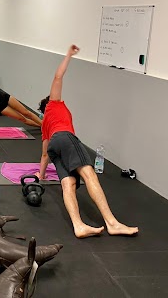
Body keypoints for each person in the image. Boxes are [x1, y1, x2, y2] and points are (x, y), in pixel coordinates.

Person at [37, 44, 138, 238]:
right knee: (90, 175)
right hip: (66, 137)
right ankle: (112, 223)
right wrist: (68, 54)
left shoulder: (45, 124)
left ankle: (78, 226)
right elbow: (58, 77)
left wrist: (41, 175)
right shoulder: (54, 104)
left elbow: (44, 153)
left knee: (68, 185)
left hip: (54, 148)